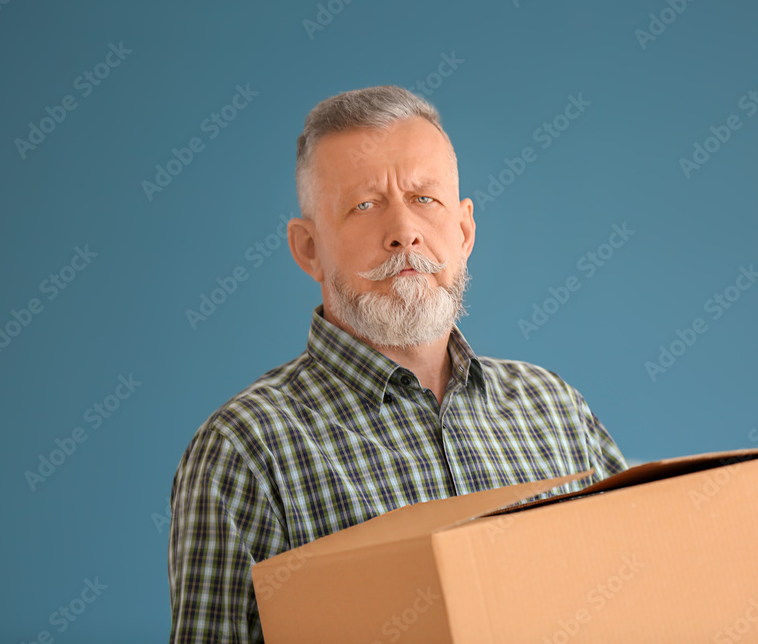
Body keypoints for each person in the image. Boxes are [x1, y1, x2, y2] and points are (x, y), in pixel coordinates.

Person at [167, 85, 629, 642]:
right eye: (364, 205)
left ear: (463, 231)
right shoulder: (245, 449)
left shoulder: (554, 410)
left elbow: (641, 598)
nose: (403, 232)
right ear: (308, 248)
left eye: (425, 199)